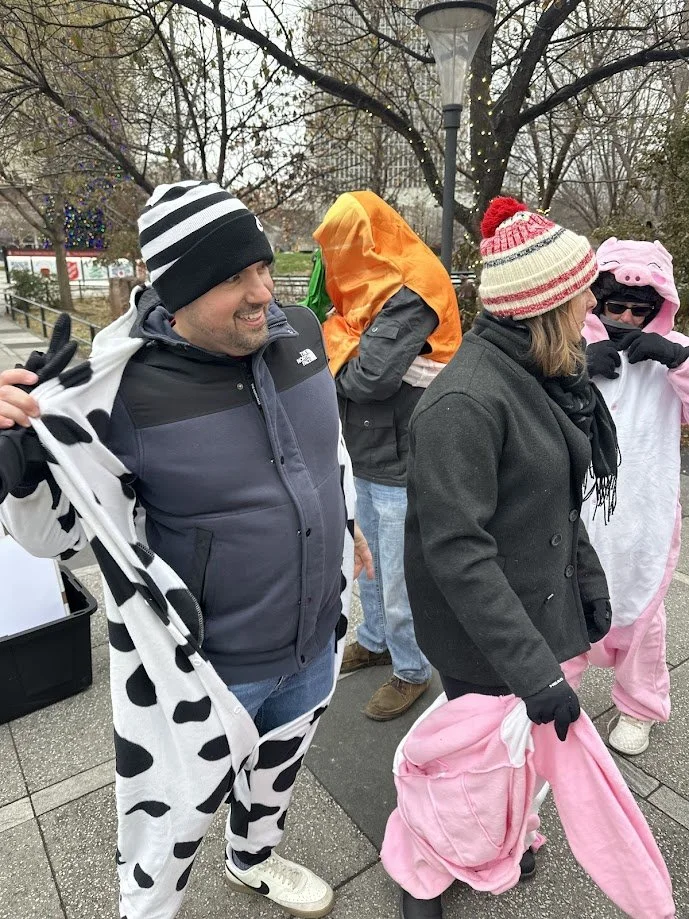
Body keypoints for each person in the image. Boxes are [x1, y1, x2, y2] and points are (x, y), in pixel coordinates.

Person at [0, 180, 372, 919]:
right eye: (233, 277)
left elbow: (326, 450)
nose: (261, 290)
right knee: (165, 823)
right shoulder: (118, 390)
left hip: (313, 637)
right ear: (176, 295)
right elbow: (51, 537)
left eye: (260, 266)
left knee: (278, 771)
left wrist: (349, 521)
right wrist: (19, 464)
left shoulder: (298, 333)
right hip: (204, 673)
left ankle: (251, 859)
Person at [396, 197, 616, 919]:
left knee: (509, 757)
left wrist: (587, 585)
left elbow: (553, 501)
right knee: (466, 766)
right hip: (484, 637)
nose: (594, 300)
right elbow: (459, 553)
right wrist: (534, 669)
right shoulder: (465, 402)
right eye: (582, 289)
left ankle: (504, 834)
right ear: (545, 305)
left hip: (532, 616)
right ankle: (421, 868)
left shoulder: (536, 376)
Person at [313, 191, 462, 720]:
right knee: (369, 562)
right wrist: (344, 347)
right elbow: (363, 364)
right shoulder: (370, 291)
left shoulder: (413, 288)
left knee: (399, 575)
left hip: (403, 456)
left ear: (367, 240)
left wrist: (333, 346)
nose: (336, 261)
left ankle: (412, 670)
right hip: (368, 451)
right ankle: (376, 639)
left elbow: (370, 378)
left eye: (342, 246)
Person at [581, 237, 689, 755]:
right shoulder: (568, 343)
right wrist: (574, 367)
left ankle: (640, 706)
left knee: (644, 613)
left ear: (659, 307)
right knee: (563, 607)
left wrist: (678, 360)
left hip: (643, 512)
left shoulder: (676, 351)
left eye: (639, 308)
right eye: (613, 304)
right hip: (575, 511)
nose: (624, 315)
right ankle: (555, 694)